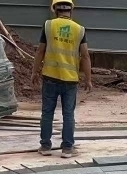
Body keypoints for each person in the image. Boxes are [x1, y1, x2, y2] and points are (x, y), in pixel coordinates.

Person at [31, 0, 93, 158]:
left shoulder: (48, 26)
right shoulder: (79, 29)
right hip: (70, 79)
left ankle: (45, 146)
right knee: (68, 114)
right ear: (71, 10)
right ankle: (67, 148)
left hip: (50, 77)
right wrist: (88, 79)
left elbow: (40, 51)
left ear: (54, 10)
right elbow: (85, 56)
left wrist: (34, 72)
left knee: (47, 113)